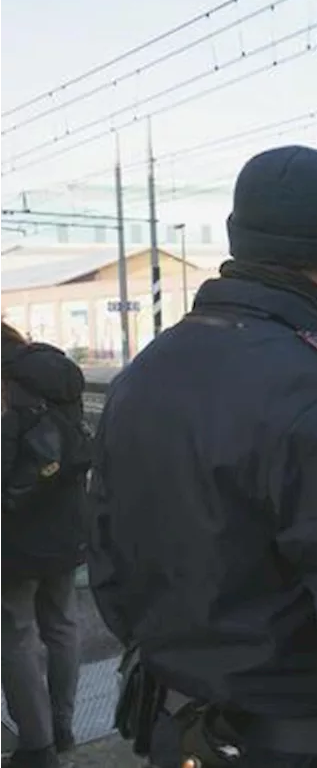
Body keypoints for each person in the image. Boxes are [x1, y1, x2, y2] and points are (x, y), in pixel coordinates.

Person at [88, 146, 317, 768]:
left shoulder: (142, 376)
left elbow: (105, 554)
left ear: (240, 240)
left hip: (173, 723)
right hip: (296, 734)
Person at [0, 324, 88, 768]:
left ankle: (37, 744)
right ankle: (64, 726)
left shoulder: (8, 384)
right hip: (65, 523)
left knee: (16, 632)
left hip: (12, 530)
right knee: (62, 623)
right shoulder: (56, 372)